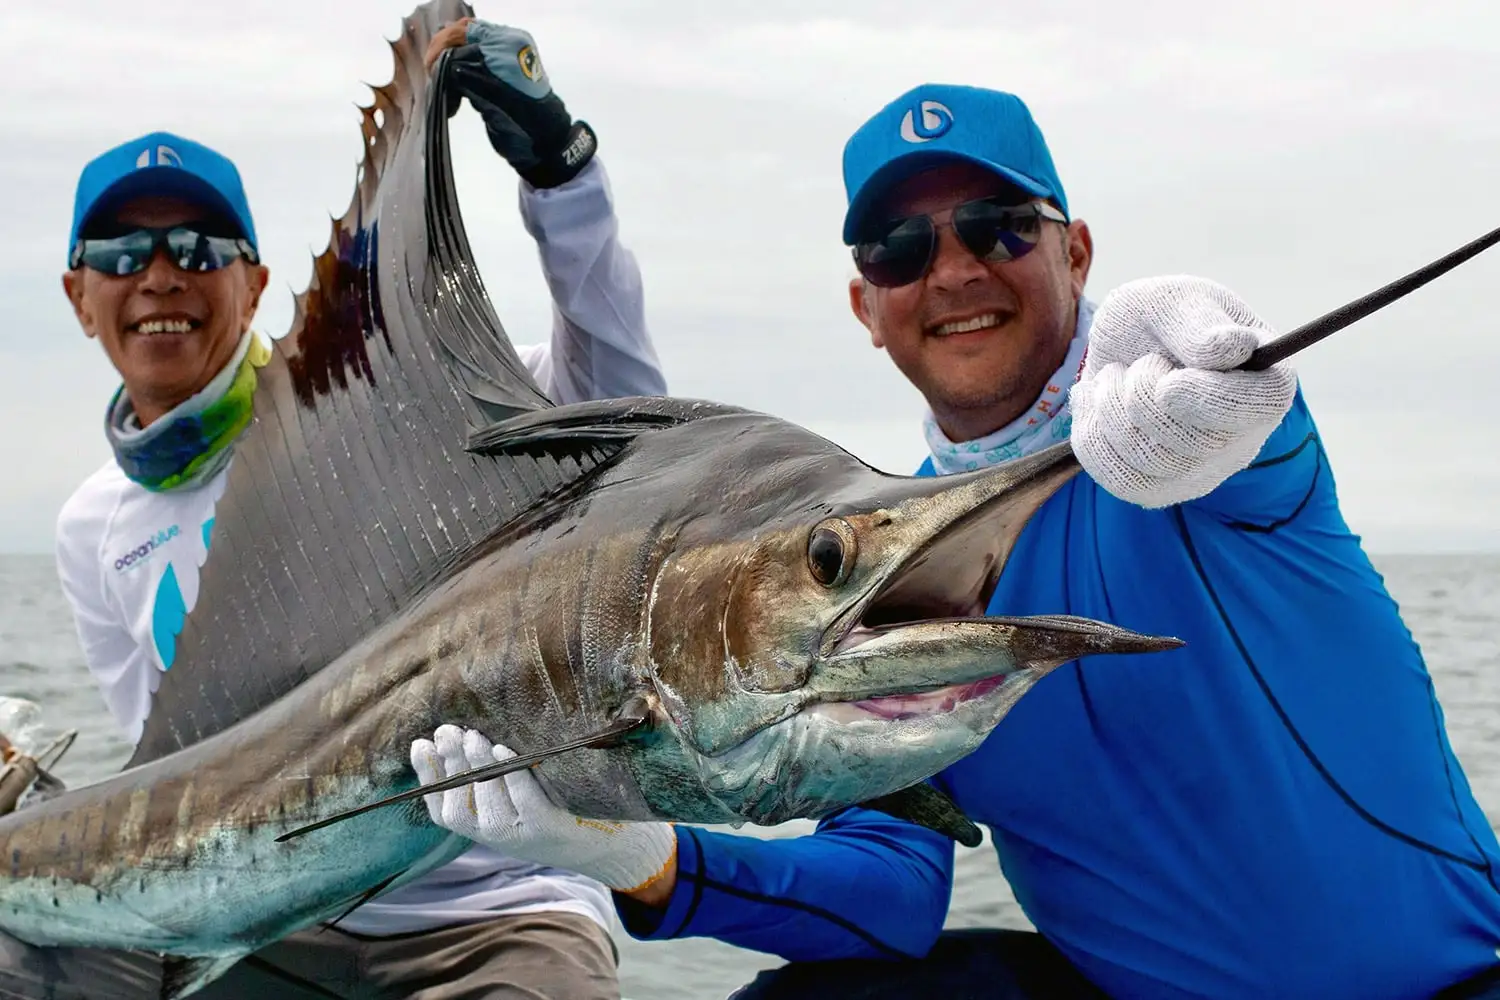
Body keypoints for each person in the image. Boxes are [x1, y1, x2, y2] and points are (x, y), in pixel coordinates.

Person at [413, 83, 1500, 1000]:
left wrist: (1225, 377)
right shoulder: (874, 576)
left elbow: (1253, 439)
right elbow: (891, 893)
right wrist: (638, 860)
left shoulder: (1192, 447)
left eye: (998, 225)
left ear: (1075, 250)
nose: (954, 269)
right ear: (864, 304)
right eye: (900, 247)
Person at [0, 16, 664, 1000]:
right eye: (120, 249)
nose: (160, 272)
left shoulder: (395, 416)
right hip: (252, 919)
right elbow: (178, 769)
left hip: (489, 911)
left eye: (196, 243)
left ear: (257, 281)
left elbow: (617, 403)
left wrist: (560, 173)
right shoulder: (91, 527)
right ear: (76, 293)